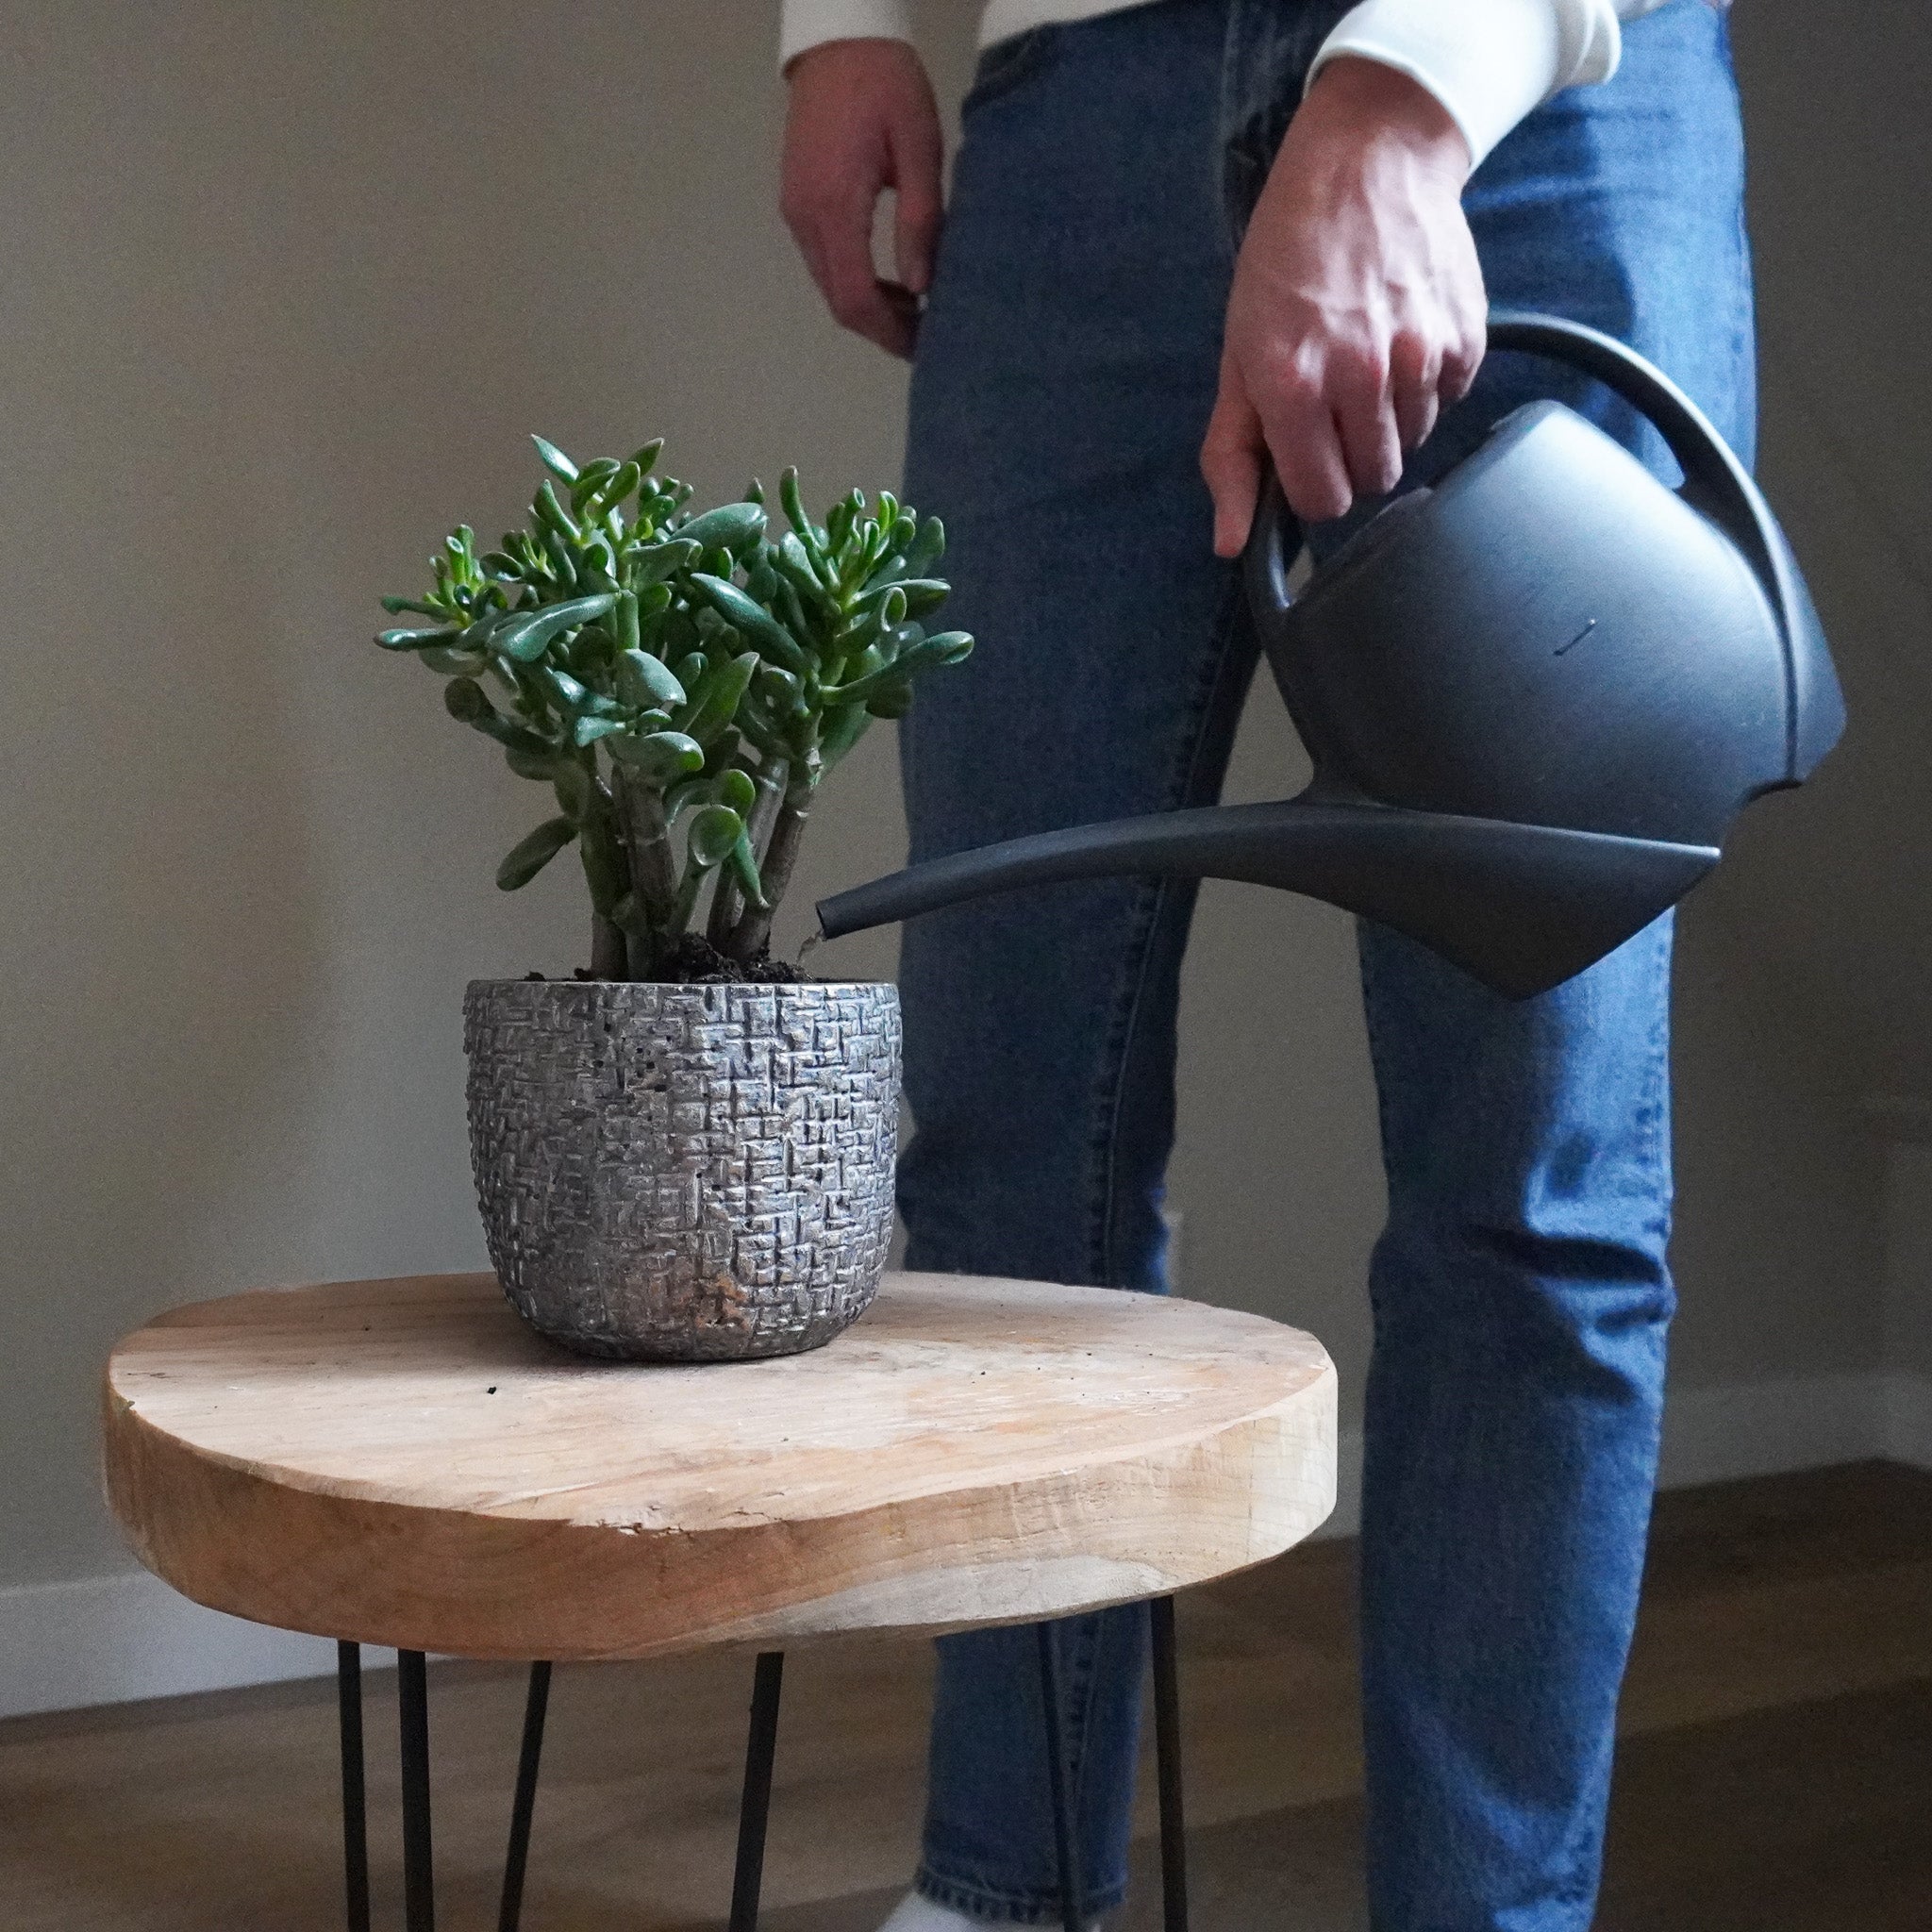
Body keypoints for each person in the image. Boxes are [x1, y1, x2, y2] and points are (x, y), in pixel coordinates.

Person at [778, 2, 1751, 1926]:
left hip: (1539, 111)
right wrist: (842, 23)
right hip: (1074, 125)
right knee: (1007, 1128)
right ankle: (1005, 1891)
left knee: (1526, 1178)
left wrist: (1402, 101)